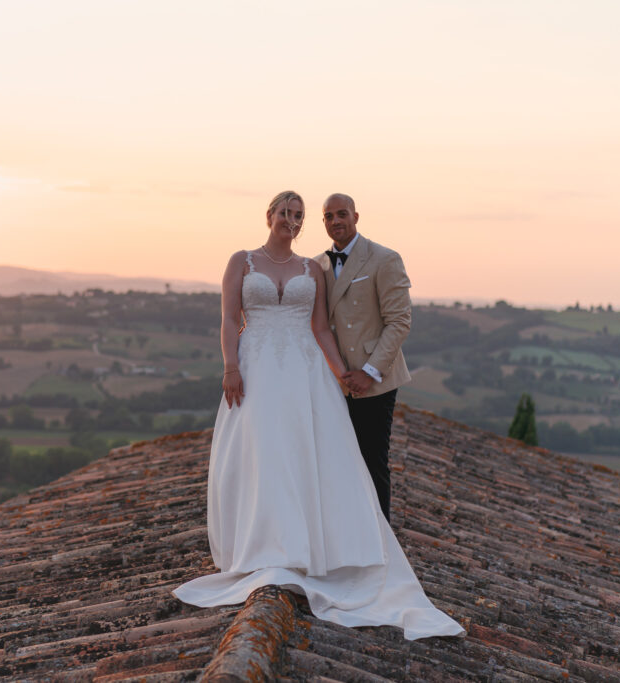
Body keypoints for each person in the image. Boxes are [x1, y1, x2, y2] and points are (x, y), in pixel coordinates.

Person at [173, 191, 463, 640]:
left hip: (306, 373)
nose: (291, 220)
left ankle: (317, 547)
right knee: (263, 454)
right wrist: (230, 367)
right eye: (284, 213)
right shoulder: (241, 261)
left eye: (299, 215)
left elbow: (321, 328)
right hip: (256, 369)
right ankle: (263, 545)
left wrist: (341, 374)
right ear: (268, 216)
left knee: (307, 455)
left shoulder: (313, 269)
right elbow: (230, 320)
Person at [312, 193, 412, 523]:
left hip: (374, 381)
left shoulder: (384, 258)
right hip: (335, 380)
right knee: (335, 463)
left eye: (342, 214)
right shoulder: (318, 265)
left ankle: (380, 541)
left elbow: (399, 321)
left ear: (356, 216)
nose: (336, 221)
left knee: (372, 462)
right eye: (329, 216)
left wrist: (369, 372)